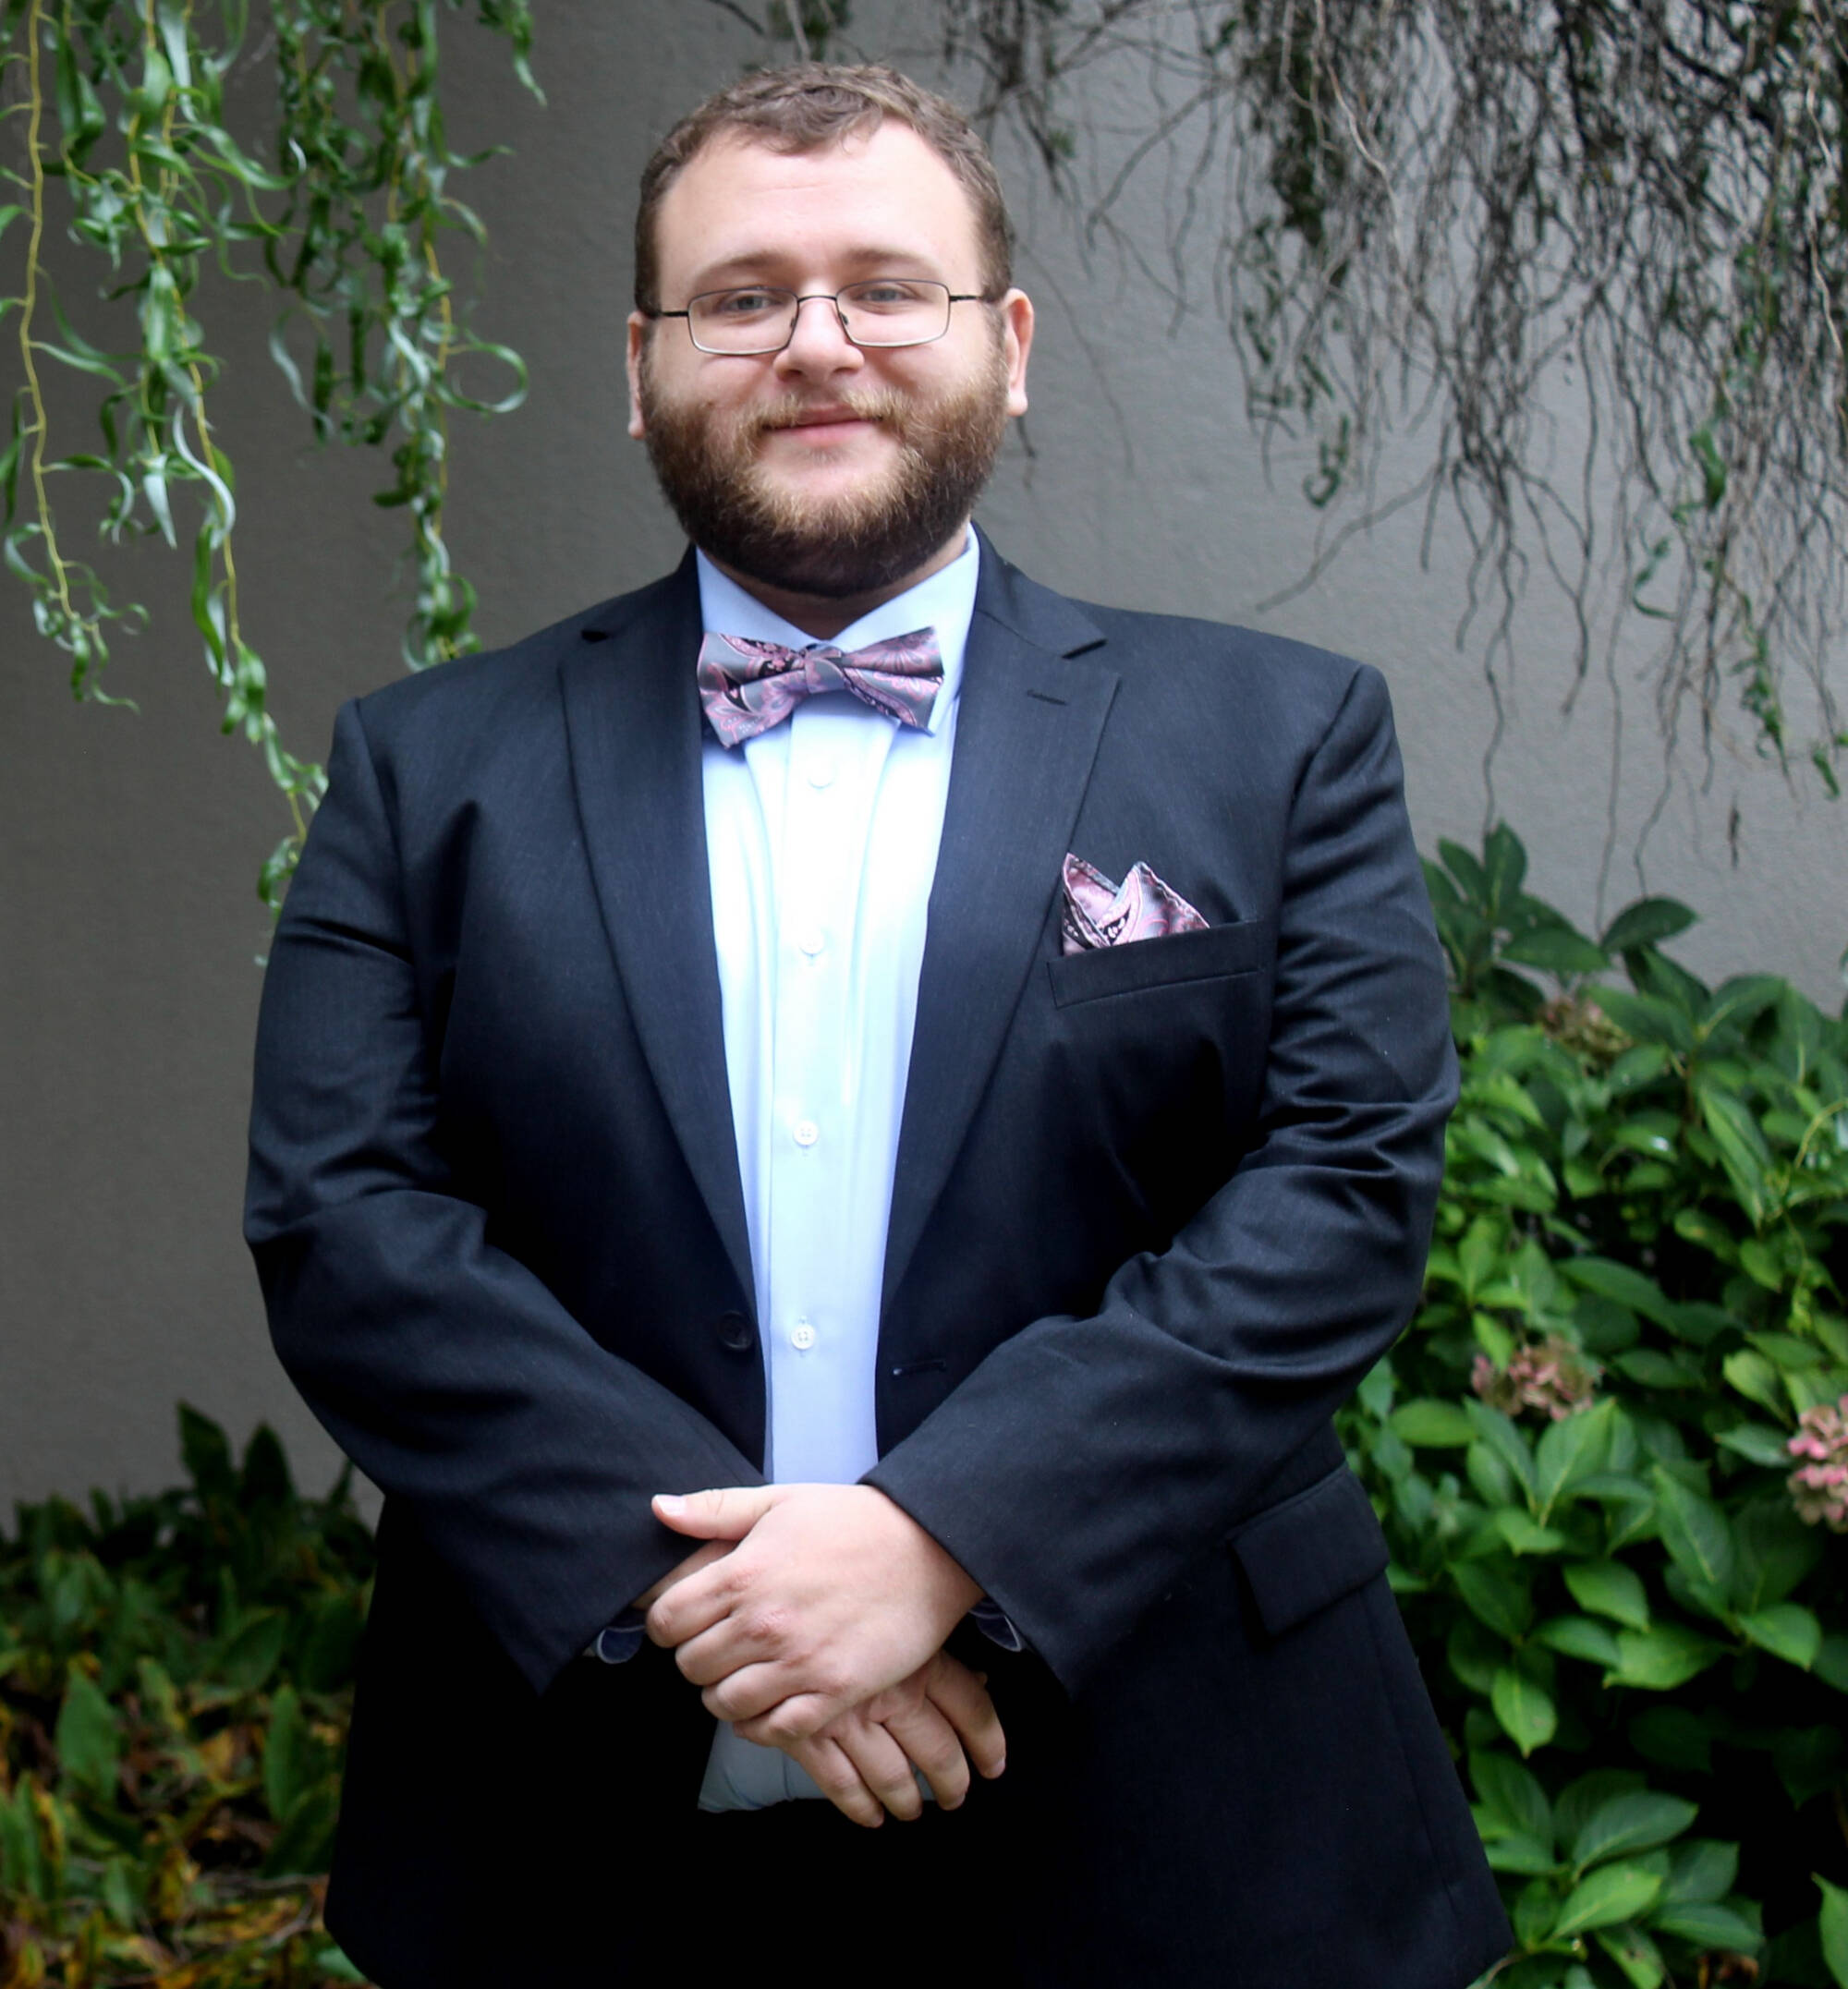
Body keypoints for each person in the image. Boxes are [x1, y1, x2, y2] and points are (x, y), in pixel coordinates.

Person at [246, 61, 1513, 1989]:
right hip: (579, 1813)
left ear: (1002, 346)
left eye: (884, 288)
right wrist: (726, 1607)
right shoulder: (426, 769)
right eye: (742, 296)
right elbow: (349, 1231)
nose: (816, 344)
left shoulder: (1281, 739)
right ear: (641, 362)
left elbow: (1338, 1193)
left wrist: (943, 1539)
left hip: (1188, 1814)